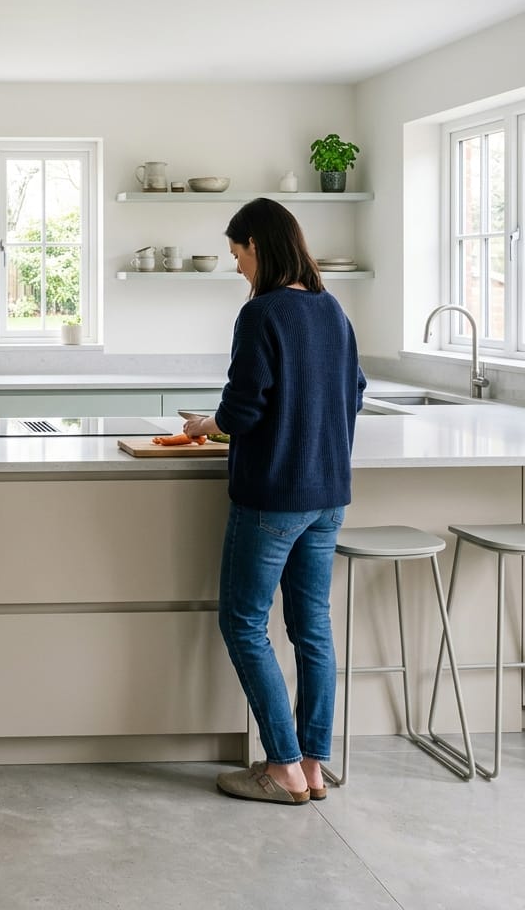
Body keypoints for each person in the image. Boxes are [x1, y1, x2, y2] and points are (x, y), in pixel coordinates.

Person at [183, 197, 365, 805]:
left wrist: (206, 426)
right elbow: (355, 393)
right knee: (312, 626)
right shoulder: (331, 308)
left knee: (243, 623)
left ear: (257, 246)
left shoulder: (262, 314)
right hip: (329, 495)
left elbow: (242, 410)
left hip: (273, 496)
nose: (237, 267)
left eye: (237, 254)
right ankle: (314, 764)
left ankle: (281, 767)